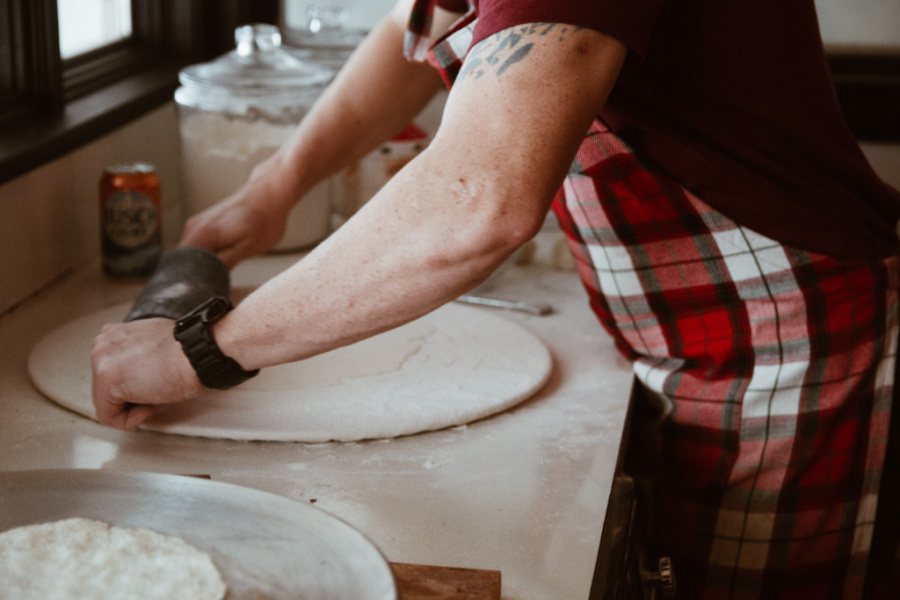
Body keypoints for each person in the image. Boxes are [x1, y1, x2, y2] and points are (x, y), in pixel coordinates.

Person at [91, 0, 900, 597]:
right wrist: (275, 186)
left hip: (796, 347)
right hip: (692, 341)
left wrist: (198, 349)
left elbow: (481, 200)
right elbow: (414, 33)